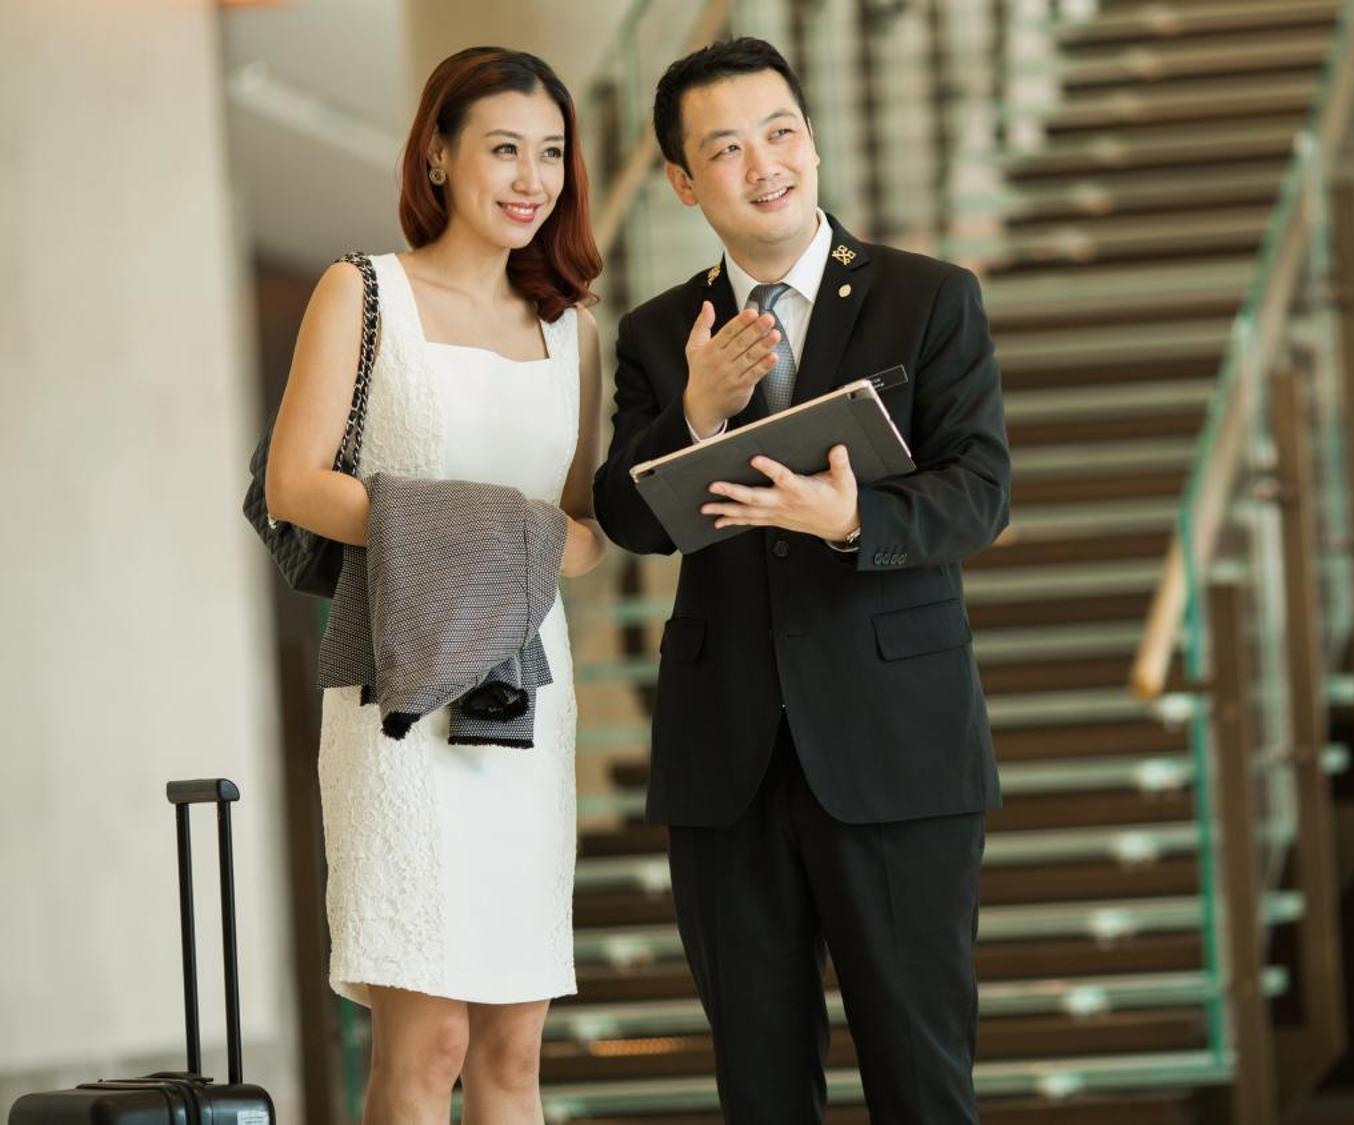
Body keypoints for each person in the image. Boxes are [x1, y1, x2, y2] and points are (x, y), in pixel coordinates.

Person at [590, 36, 1011, 1125]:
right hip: (724, 761)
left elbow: (980, 492)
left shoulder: (928, 299)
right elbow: (627, 519)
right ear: (683, 183)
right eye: (724, 149)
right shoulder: (652, 334)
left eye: (779, 132)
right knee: (760, 1092)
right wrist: (691, 413)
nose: (762, 163)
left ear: (812, 141)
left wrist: (851, 517)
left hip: (895, 748)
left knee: (922, 1084)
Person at [263, 46, 606, 1124]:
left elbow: (583, 535)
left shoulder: (573, 331)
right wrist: (480, 525)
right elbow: (293, 483)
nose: (529, 178)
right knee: (428, 1044)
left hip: (523, 706)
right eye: (503, 148)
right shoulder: (363, 293)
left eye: (550, 154)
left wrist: (526, 536)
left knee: (512, 1054)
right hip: (396, 699)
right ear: (438, 155)